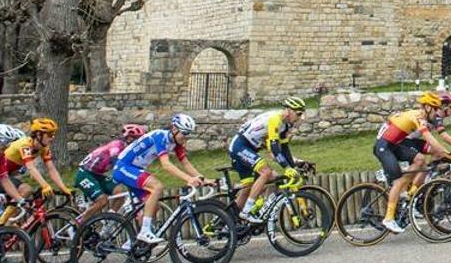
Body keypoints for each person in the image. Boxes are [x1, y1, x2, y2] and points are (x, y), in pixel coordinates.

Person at [111, 113, 207, 244]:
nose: (185, 138)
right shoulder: (160, 136)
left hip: (134, 169)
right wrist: (188, 179)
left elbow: (185, 163)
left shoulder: (175, 142)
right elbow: (166, 165)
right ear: (174, 128)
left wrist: (203, 179)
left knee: (153, 207)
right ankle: (145, 232)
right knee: (157, 186)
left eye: (188, 134)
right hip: (124, 167)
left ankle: (133, 243)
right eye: (184, 133)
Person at [374, 91, 450, 234]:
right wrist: (445, 153)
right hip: (383, 146)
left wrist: (443, 152)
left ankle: (407, 192)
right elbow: (429, 139)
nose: (437, 113)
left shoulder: (421, 116)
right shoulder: (418, 116)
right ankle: (389, 218)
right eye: (435, 110)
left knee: (420, 160)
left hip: (395, 145)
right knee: (398, 181)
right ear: (427, 108)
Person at [229, 96, 311, 223]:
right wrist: (287, 168)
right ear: (289, 110)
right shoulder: (275, 119)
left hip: (249, 149)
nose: (300, 117)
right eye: (298, 113)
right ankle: (246, 212)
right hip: (240, 146)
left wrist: (293, 166)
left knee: (268, 180)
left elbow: (284, 149)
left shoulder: (285, 126)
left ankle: (230, 220)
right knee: (266, 172)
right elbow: (274, 148)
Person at [75, 124, 147, 222]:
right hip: (84, 173)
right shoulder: (117, 144)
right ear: (129, 139)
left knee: (120, 192)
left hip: (97, 175)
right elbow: (115, 160)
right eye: (138, 140)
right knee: (102, 200)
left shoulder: (129, 152)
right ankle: (78, 225)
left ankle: (110, 220)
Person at [0, 118, 73, 205]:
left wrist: (63, 188)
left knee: (26, 201)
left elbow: (51, 169)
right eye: (50, 134)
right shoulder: (25, 145)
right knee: (26, 190)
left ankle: (11, 216)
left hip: (7, 176)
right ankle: (5, 218)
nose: (52, 137)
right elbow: (31, 167)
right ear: (39, 135)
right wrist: (45, 185)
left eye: (54, 134)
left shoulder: (44, 148)